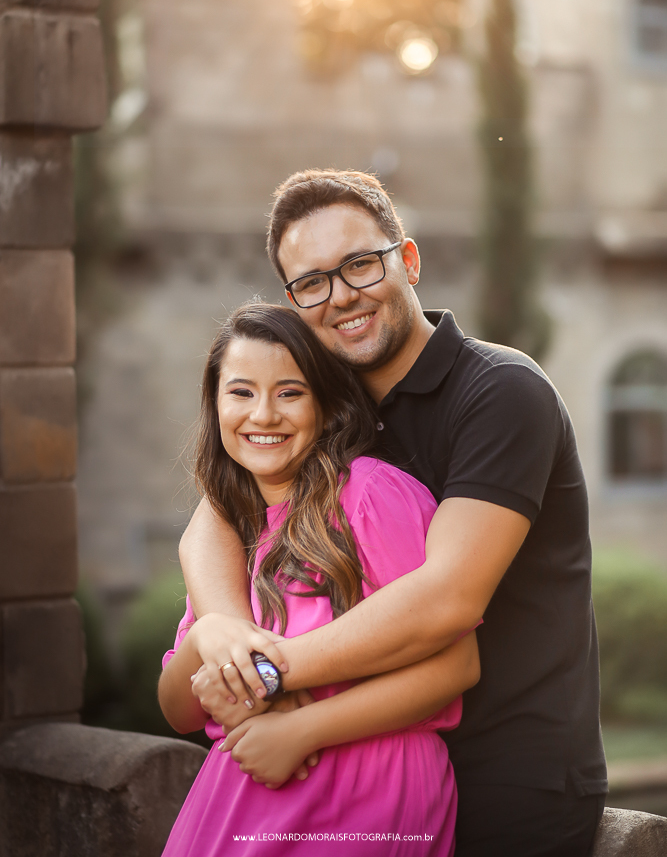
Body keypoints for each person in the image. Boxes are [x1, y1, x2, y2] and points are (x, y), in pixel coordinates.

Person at [179, 170, 608, 856]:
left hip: (512, 774)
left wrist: (266, 672)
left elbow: (448, 599)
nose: (340, 295)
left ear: (406, 261)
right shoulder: (327, 403)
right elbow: (217, 511)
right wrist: (225, 630)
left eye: (358, 265)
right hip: (365, 767)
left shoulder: (500, 393)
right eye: (311, 282)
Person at [159, 303, 480, 856]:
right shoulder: (231, 533)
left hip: (368, 789)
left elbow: (458, 664)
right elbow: (177, 710)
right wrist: (210, 634)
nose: (263, 415)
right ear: (214, 406)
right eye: (240, 393)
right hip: (239, 795)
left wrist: (303, 731)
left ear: (325, 406)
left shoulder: (370, 496)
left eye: (289, 392)